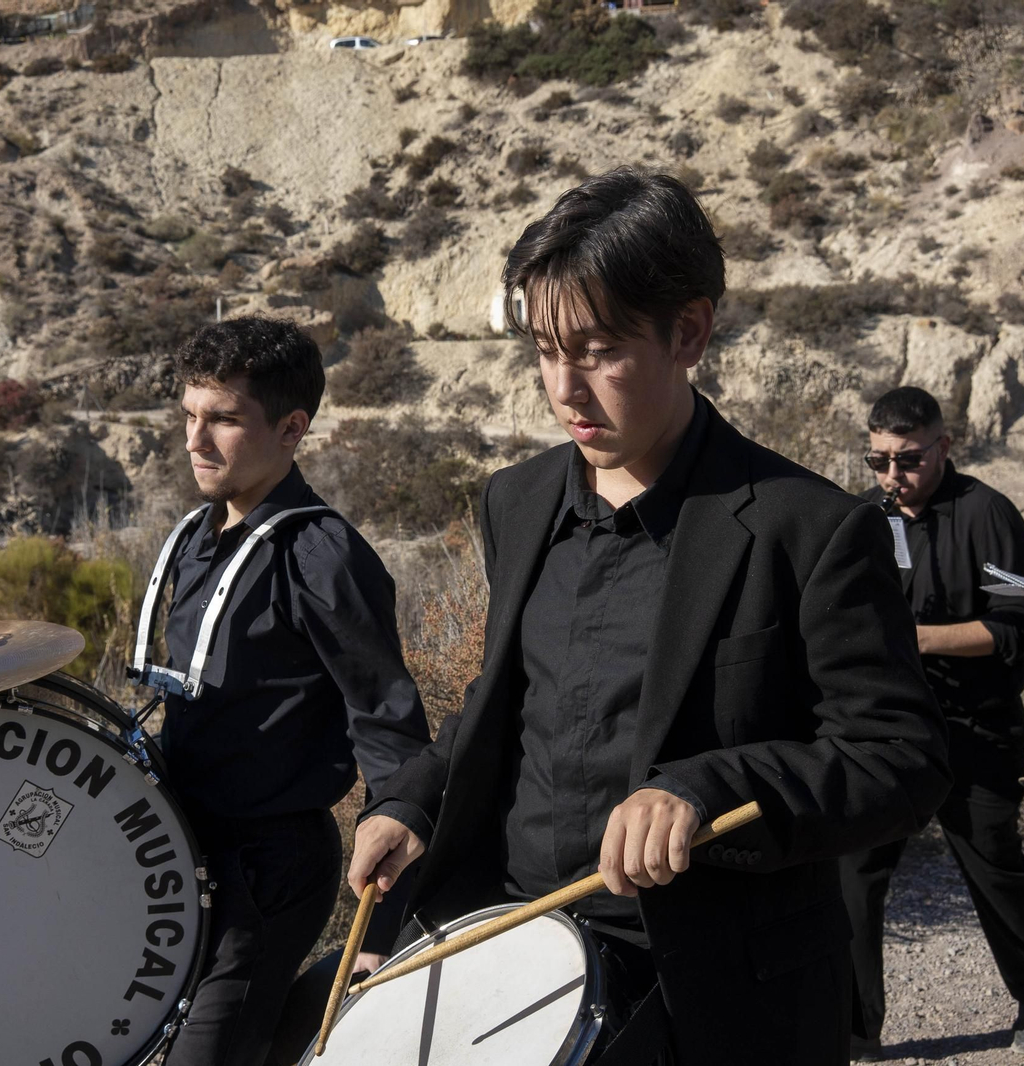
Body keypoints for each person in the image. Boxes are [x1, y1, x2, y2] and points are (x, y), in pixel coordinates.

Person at [344, 167, 951, 1064]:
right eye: (546, 352)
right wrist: (413, 801)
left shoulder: (811, 528)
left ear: (690, 331)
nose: (565, 389)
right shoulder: (516, 502)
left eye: (597, 351)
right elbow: (505, 703)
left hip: (707, 992)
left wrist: (707, 788)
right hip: (512, 944)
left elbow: (900, 759)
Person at [147, 315, 432, 1066]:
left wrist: (381, 933)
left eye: (224, 420)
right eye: (188, 417)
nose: (194, 441)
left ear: (291, 427)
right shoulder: (202, 537)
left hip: (270, 870)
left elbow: (390, 729)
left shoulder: (322, 555)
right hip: (185, 855)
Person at [842, 387, 1024, 1061]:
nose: (891, 477)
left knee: (994, 866)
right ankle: (858, 1028)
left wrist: (916, 639)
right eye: (878, 460)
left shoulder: (988, 514)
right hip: (887, 731)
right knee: (856, 873)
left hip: (977, 726)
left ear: (944, 446)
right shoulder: (866, 517)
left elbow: (1012, 630)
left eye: (907, 460)